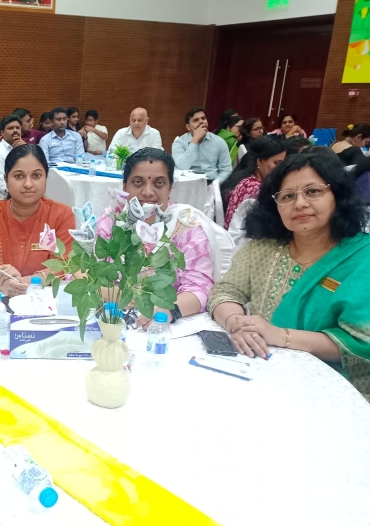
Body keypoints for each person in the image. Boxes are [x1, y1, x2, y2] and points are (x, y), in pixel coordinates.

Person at [208, 152, 370, 399]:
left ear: (337, 196)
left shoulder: (362, 258)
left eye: (313, 191)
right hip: (264, 372)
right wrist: (237, 323)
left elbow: (361, 342)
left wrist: (281, 336)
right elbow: (226, 291)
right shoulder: (264, 247)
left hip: (337, 388)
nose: (300, 203)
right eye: (287, 196)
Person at [100, 148, 215, 328]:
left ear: (170, 188)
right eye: (138, 182)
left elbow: (200, 287)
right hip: (113, 316)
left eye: (159, 183)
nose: (148, 192)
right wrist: (123, 296)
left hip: (164, 324)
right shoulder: (112, 220)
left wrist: (168, 310)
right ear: (125, 186)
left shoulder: (184, 226)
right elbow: (89, 273)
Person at [0, 145, 74, 296]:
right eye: (19, 176)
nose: (28, 184)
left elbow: (64, 264)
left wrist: (27, 282)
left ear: (46, 178)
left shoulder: (61, 214)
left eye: (36, 175)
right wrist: (1, 282)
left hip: (45, 297)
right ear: (6, 180)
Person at [221, 137, 287, 229]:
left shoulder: (244, 178)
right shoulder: (254, 188)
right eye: (277, 163)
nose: (280, 168)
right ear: (259, 161)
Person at [172, 106, 232, 184]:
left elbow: (226, 170)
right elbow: (182, 166)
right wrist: (195, 141)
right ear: (188, 127)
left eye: (203, 118)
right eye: (196, 120)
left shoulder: (219, 142)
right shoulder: (179, 142)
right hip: (186, 183)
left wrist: (215, 184)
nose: (201, 121)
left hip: (211, 182)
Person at [0, 114, 27, 194]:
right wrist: (22, 193)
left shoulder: (24, 147)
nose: (15, 130)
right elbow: (0, 185)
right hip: (3, 195)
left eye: (17, 128)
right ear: (2, 133)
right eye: (10, 128)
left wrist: (26, 149)